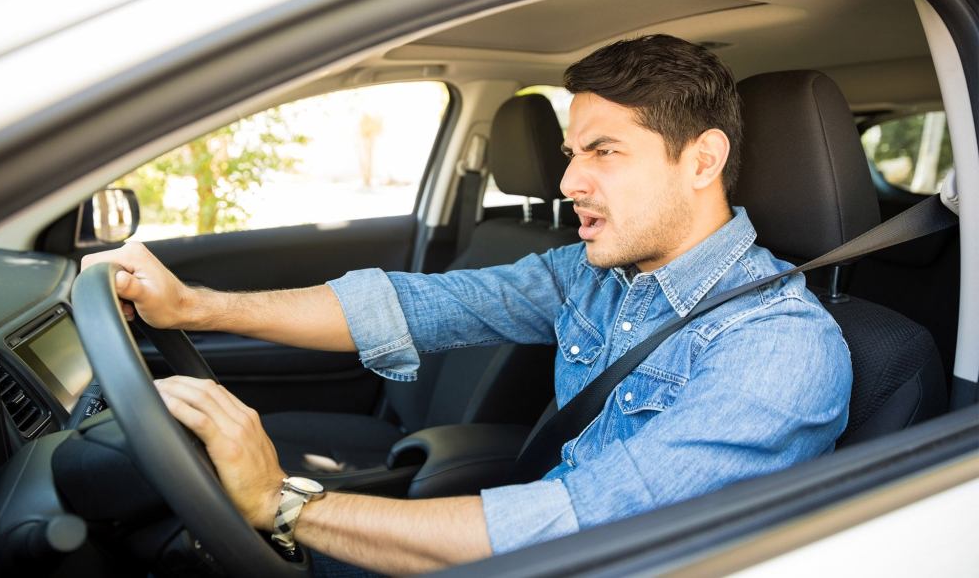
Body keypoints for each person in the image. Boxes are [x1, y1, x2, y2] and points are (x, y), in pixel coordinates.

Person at [82, 34, 852, 576]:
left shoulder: (779, 349)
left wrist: (286, 508)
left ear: (703, 160)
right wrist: (196, 306)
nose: (569, 183)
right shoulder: (593, 275)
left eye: (605, 152)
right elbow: (412, 308)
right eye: (571, 154)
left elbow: (574, 534)